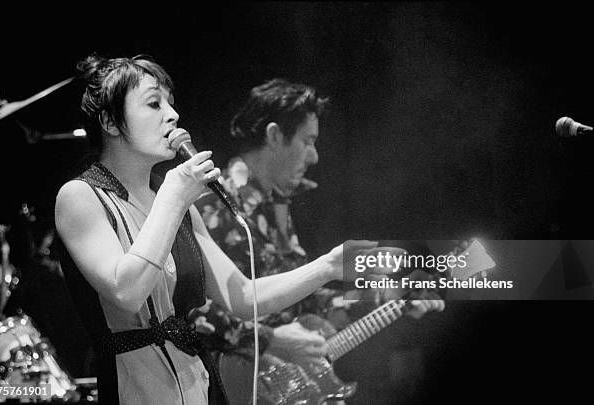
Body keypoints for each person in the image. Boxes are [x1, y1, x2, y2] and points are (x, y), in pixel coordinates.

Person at [54, 56, 385, 405]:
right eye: (154, 103)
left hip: (199, 384)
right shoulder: (81, 196)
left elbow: (243, 297)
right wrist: (173, 196)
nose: (172, 114)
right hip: (133, 390)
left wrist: (329, 267)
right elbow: (126, 291)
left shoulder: (177, 204)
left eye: (170, 102)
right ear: (109, 121)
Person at [187, 79, 445, 397]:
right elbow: (190, 309)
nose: (314, 157)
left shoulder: (278, 209)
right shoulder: (210, 206)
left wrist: (391, 297)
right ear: (274, 135)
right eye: (308, 141)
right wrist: (271, 339)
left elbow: (304, 303)